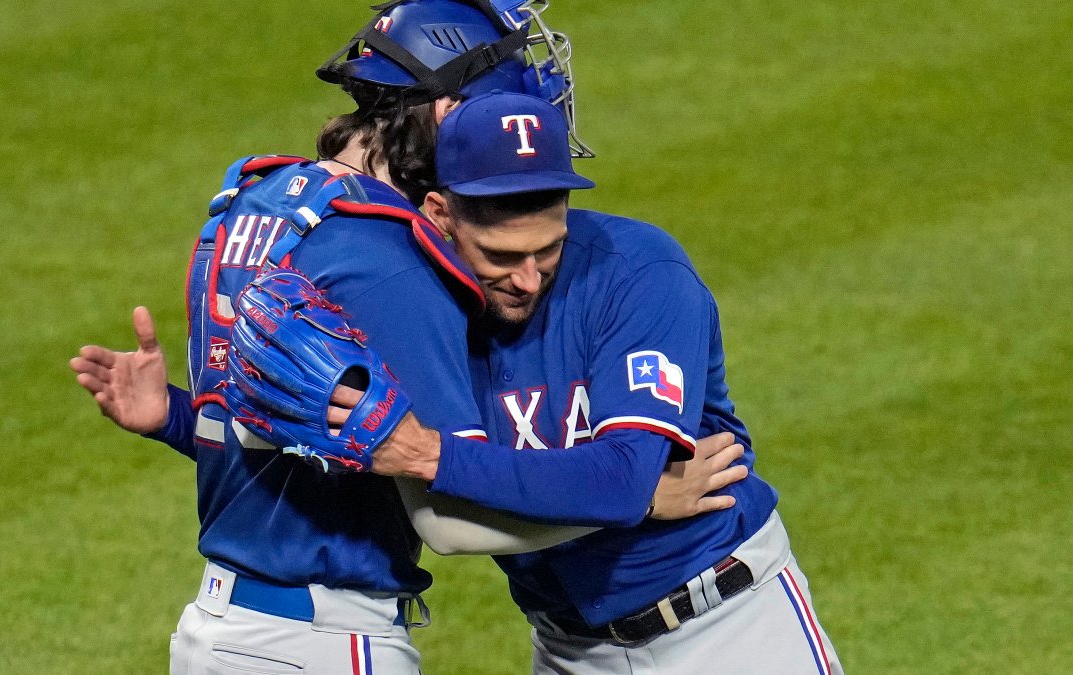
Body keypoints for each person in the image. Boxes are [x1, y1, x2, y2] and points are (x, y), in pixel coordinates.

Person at [70, 2, 743, 673]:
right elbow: (446, 522)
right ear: (449, 112)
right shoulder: (391, 256)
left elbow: (274, 433)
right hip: (324, 641)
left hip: (221, 629)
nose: (534, 93)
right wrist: (640, 499)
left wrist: (176, 417)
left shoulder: (260, 201)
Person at [318, 91, 845, 673]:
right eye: (501, 255)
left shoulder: (639, 273)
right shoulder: (411, 306)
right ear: (440, 215)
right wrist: (641, 499)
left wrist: (432, 456)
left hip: (727, 627)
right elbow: (450, 523)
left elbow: (621, 478)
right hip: (569, 648)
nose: (527, 278)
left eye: (548, 250)